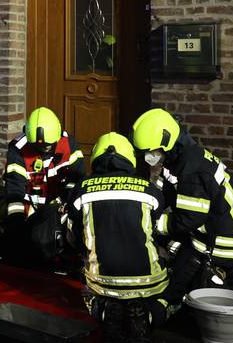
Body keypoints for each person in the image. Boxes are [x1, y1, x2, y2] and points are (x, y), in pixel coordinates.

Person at [131, 108, 233, 316]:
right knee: (169, 243)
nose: (148, 157)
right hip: (218, 230)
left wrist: (151, 222)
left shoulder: (192, 170)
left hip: (224, 242)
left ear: (166, 142)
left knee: (180, 265)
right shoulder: (185, 157)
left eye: (152, 151)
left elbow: (189, 219)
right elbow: (168, 192)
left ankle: (168, 303)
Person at [68, 132, 167, 342]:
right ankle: (147, 315)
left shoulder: (81, 189)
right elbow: (158, 226)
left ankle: (104, 311)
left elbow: (75, 235)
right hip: (147, 282)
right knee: (170, 294)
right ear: (129, 158)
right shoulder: (148, 189)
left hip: (102, 282)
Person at [0, 105, 85, 263]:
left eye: (48, 146)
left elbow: (77, 180)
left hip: (60, 206)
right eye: (38, 146)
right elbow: (15, 189)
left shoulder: (68, 144)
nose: (44, 149)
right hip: (29, 208)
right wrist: (16, 223)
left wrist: (65, 202)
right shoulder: (18, 149)